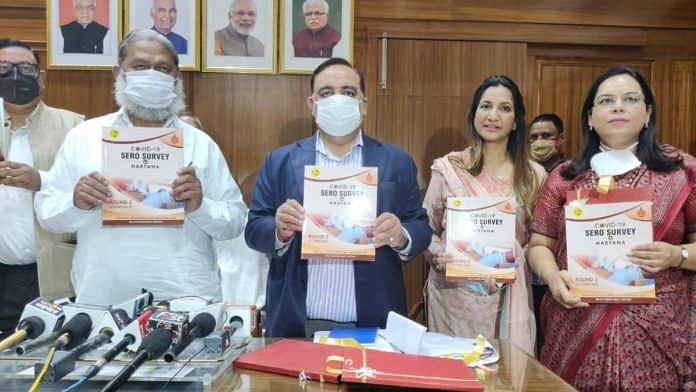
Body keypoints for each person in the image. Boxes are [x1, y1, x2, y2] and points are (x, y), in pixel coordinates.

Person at [35, 29, 246, 306]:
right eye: (140, 66)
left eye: (162, 68)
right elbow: (47, 215)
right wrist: (77, 202)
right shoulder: (84, 136)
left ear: (176, 79)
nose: (152, 75)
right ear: (118, 72)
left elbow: (235, 221)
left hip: (186, 296)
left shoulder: (200, 143)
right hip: (103, 296)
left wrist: (200, 205)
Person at [528, 66, 696, 391]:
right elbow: (539, 245)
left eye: (630, 99)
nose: (618, 106)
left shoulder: (682, 172)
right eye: (606, 100)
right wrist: (551, 276)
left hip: (657, 336)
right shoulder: (564, 177)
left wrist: (677, 255)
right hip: (574, 324)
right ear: (590, 117)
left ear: (647, 113)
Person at [245, 57, 431, 337]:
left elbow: (421, 226)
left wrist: (401, 234)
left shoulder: (396, 161)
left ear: (363, 105)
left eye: (348, 92)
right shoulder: (280, 161)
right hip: (297, 324)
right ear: (312, 105)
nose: (338, 100)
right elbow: (253, 229)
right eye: (326, 93)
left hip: (373, 324)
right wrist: (279, 230)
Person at [422, 75, 545, 356]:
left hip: (508, 294)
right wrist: (440, 256)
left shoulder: (534, 175)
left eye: (504, 108)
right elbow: (424, 227)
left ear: (516, 121)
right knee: (455, 376)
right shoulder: (449, 168)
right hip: (453, 297)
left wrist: (510, 265)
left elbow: (540, 239)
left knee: (503, 378)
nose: (493, 115)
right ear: (474, 114)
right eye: (486, 106)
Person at [0, 38, 84, 340]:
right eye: (3, 68)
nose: (14, 76)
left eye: (24, 68)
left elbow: (92, 193)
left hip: (55, 271)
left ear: (41, 76)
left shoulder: (75, 127)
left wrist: (41, 181)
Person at [176, 110, 268, 309]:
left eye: (190, 135)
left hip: (203, 297)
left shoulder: (219, 191)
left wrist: (200, 207)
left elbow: (234, 223)